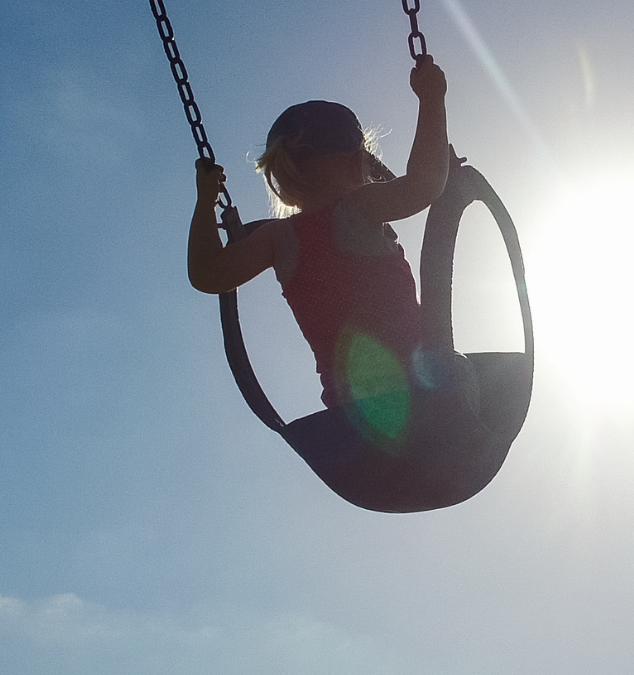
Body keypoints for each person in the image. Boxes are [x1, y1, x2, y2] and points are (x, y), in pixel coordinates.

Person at [187, 55, 461, 429]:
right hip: (425, 393)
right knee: (477, 373)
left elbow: (207, 274)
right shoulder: (358, 209)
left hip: (353, 421)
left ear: (283, 186)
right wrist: (432, 99)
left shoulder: (276, 238)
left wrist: (205, 202)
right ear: (356, 162)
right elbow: (425, 183)